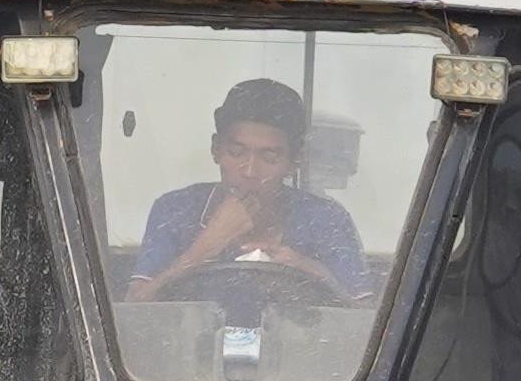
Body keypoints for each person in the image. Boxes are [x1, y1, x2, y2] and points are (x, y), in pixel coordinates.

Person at [127, 76, 378, 305]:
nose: (249, 170)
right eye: (236, 153)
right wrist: (204, 248)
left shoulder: (326, 219)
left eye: (269, 158)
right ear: (216, 149)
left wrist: (309, 270)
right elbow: (134, 307)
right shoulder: (176, 210)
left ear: (294, 161)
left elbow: (364, 320)